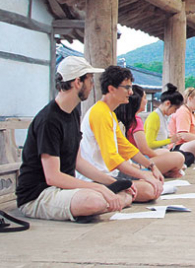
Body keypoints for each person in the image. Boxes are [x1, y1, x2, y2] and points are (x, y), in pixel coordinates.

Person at [16, 57, 131, 221]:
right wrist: (101, 189)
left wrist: (112, 182)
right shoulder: (49, 119)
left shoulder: (73, 113)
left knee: (122, 191)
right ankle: (112, 202)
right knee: (94, 200)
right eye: (90, 81)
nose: (92, 86)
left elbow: (78, 161)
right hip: (39, 195)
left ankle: (115, 200)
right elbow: (52, 177)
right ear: (78, 82)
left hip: (63, 190)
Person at [78, 65, 163, 203]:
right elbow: (112, 159)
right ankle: (117, 197)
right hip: (98, 177)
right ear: (111, 89)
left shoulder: (109, 113)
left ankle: (122, 196)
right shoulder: (99, 113)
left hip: (111, 173)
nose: (130, 92)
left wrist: (151, 166)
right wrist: (144, 174)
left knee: (153, 183)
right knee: (149, 189)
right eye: (127, 88)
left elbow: (125, 147)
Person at [115, 85, 185, 178]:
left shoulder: (131, 118)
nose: (146, 101)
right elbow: (146, 147)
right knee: (178, 157)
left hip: (135, 158)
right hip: (137, 160)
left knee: (167, 154)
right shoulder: (142, 119)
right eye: (144, 98)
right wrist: (169, 143)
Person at [144, 83, 193, 165]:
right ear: (167, 104)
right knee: (180, 157)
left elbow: (160, 136)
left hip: (163, 150)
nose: (175, 111)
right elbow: (149, 144)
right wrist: (170, 140)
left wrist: (172, 137)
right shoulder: (154, 116)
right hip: (154, 153)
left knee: (189, 156)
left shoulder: (162, 116)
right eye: (175, 108)